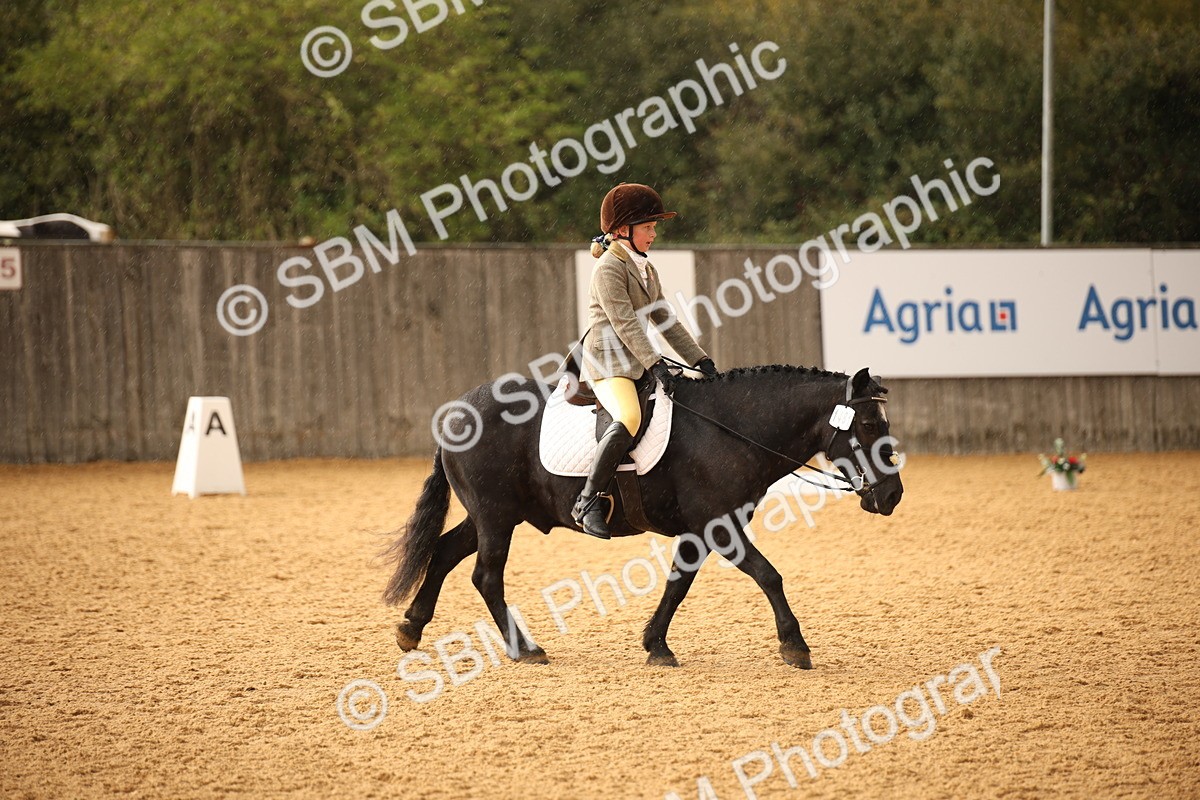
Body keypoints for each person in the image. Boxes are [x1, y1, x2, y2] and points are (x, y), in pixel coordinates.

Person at [571, 182, 718, 539]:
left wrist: (700, 360)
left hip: (638, 362)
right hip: (609, 365)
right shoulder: (608, 268)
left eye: (654, 228)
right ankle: (587, 501)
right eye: (648, 227)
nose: (654, 234)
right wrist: (655, 364)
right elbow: (625, 324)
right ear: (624, 229)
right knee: (630, 417)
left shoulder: (646, 269)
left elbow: (666, 320)